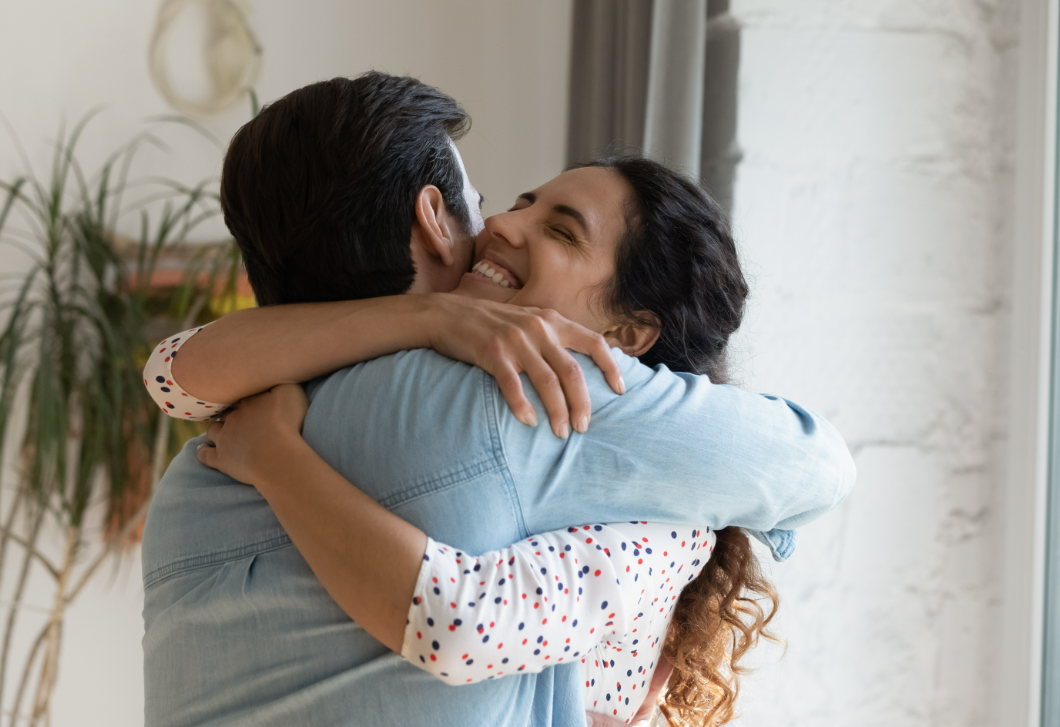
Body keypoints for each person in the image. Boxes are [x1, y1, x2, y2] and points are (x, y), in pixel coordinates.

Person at [141, 73, 855, 727]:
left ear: (632, 333)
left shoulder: (204, 460)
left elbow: (171, 373)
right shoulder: (518, 398)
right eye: (509, 203)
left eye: (559, 228)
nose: (501, 227)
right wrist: (427, 320)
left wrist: (275, 453)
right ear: (432, 216)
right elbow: (816, 467)